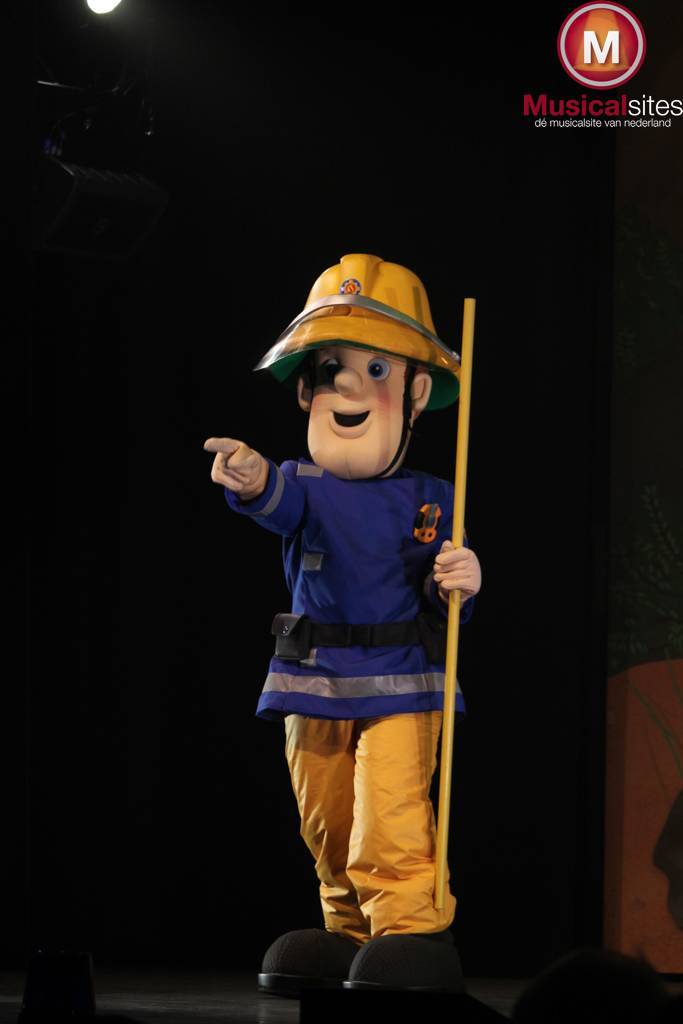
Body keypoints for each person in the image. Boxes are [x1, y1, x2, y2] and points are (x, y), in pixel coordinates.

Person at [204, 253, 481, 993]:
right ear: (306, 389)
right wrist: (252, 477)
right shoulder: (304, 484)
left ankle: (409, 931)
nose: (348, 387)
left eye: (375, 370)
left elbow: (446, 596)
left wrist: (462, 579)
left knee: (388, 814)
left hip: (399, 682)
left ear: (416, 393)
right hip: (313, 679)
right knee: (324, 817)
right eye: (332, 370)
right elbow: (275, 501)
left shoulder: (433, 494)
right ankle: (348, 930)